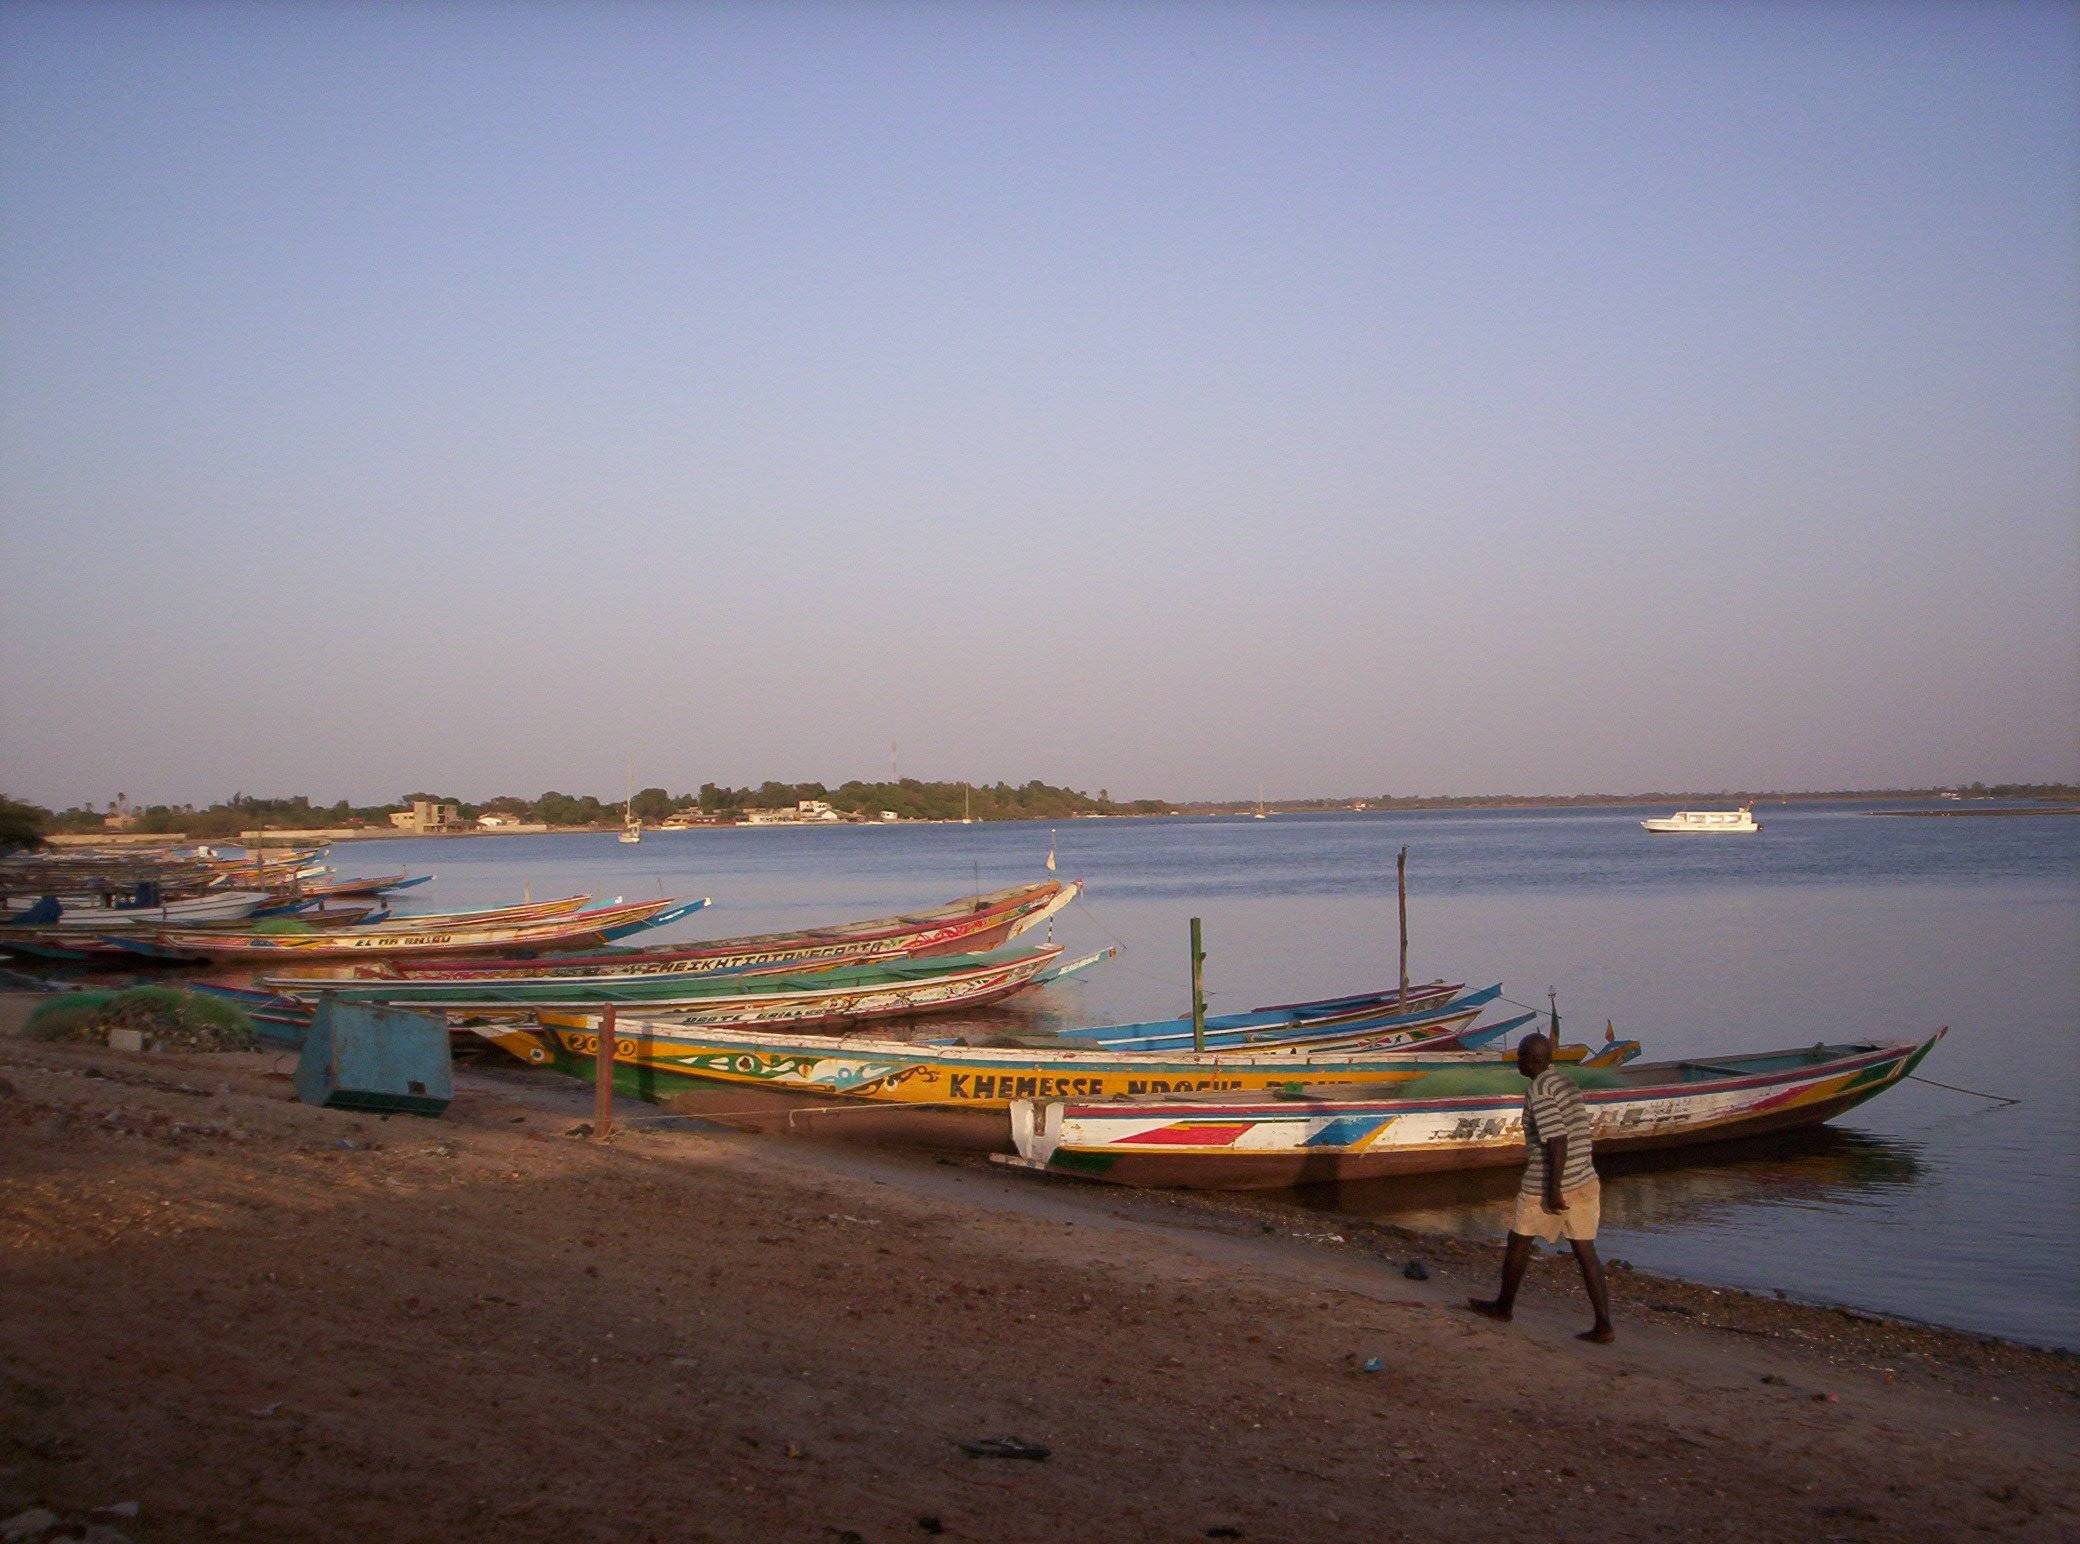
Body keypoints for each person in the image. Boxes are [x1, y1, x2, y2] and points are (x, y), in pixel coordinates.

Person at [1467, 1031, 1615, 1343]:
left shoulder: (1539, 1091)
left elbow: (1557, 1140)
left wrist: (1553, 1189)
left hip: (1548, 1181)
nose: (1517, 1061)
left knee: (1519, 1240)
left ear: (1532, 1060)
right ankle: (1604, 1325)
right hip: (1585, 1177)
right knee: (1585, 1250)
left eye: (1520, 1056)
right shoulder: (1562, 1080)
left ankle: (1503, 1307)